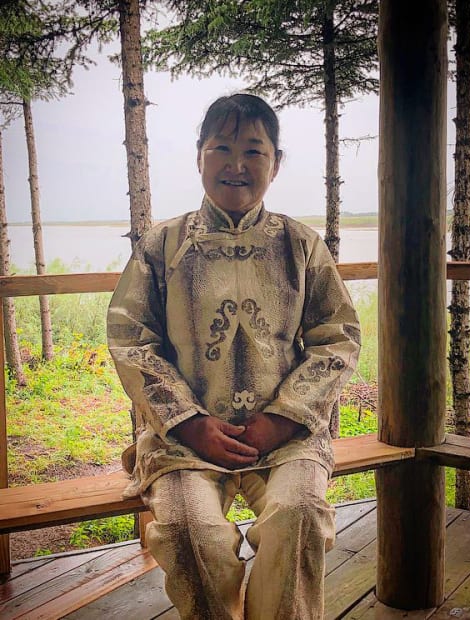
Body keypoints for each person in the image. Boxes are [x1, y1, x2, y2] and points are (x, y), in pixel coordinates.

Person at [107, 93, 361, 619]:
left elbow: (337, 338)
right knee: (188, 533)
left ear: (275, 162)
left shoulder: (301, 245)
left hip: (286, 438)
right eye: (222, 147)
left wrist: (283, 419)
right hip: (184, 440)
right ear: (200, 155)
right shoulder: (163, 246)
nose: (237, 165)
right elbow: (133, 339)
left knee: (299, 515)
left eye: (254, 150)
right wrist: (190, 422)